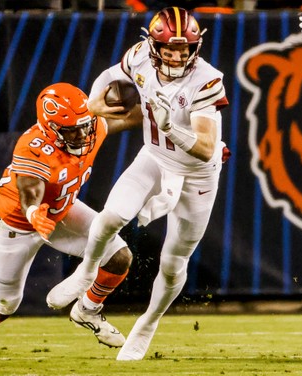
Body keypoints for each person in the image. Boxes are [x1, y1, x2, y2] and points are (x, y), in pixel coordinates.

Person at [47, 7, 229, 360]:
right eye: (170, 49)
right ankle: (86, 275)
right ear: (153, 44)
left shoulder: (207, 79)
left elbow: (207, 149)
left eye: (185, 49)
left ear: (196, 46)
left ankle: (148, 322)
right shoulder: (139, 57)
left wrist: (170, 127)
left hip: (197, 175)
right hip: (155, 158)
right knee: (110, 216)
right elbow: (110, 74)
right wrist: (92, 102)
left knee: (174, 260)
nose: (177, 56)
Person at [0, 82, 141, 359]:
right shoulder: (33, 146)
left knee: (119, 257)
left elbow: (134, 117)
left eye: (84, 126)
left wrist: (175, 117)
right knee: (6, 304)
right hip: (19, 222)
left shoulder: (92, 127)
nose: (83, 135)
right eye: (72, 130)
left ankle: (88, 310)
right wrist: (33, 212)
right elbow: (30, 190)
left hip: (62, 211)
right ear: (51, 129)